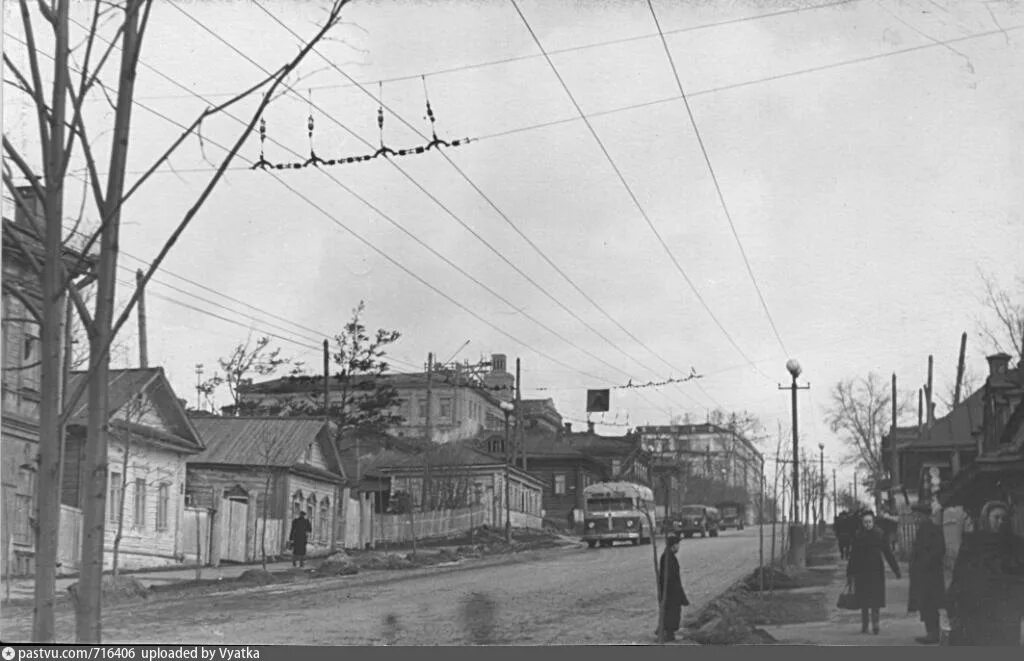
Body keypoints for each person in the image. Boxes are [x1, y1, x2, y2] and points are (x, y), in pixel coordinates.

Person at [946, 500, 1024, 646]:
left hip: (1005, 611)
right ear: (986, 518)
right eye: (996, 518)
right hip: (975, 610)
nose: (1001, 522)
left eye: (1004, 518)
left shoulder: (1016, 545)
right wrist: (952, 604)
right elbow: (960, 574)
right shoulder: (972, 543)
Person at [846, 509, 901, 634]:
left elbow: (888, 554)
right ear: (862, 523)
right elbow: (853, 556)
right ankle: (865, 625)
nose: (867, 524)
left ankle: (875, 624)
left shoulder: (880, 534)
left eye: (870, 522)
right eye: (865, 522)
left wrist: (896, 570)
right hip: (862, 571)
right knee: (863, 599)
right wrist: (849, 573)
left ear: (873, 522)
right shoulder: (858, 535)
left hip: (876, 571)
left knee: (875, 599)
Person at [907, 501, 945, 644]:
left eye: (917, 516)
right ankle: (931, 632)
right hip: (923, 575)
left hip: (930, 575)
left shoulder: (932, 529)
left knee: (930, 604)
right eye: (914, 516)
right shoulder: (923, 529)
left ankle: (933, 634)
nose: (915, 519)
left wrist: (924, 564)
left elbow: (939, 550)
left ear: (924, 516)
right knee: (924, 604)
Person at [657, 533, 690, 642]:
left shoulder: (668, 556)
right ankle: (667, 634)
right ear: (673, 545)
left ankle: (667, 633)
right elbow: (670, 578)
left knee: (672, 613)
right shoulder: (668, 558)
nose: (678, 547)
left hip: (670, 591)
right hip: (671, 592)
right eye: (677, 544)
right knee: (672, 612)